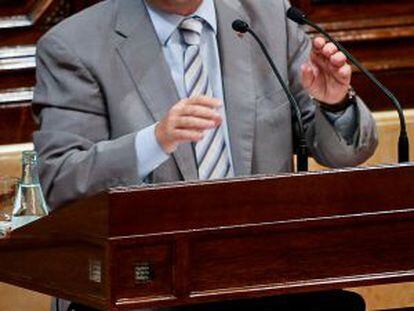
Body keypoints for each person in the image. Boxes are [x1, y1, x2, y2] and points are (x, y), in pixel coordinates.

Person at [32, 0, 378, 310]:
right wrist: (153, 142)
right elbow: (63, 180)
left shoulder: (270, 18)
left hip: (261, 278)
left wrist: (335, 104)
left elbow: (345, 153)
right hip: (146, 285)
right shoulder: (76, 44)